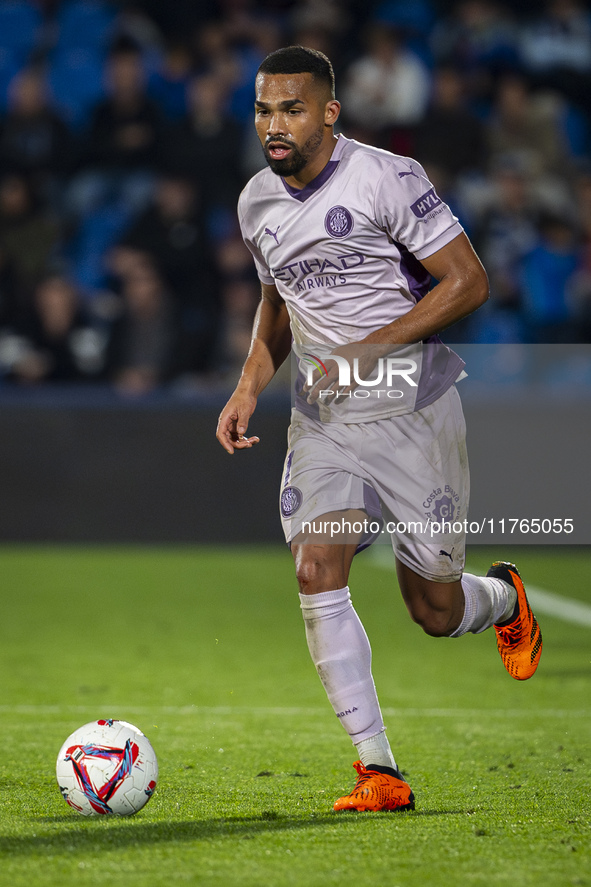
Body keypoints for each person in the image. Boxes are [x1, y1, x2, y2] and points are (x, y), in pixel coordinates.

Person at [216, 46, 543, 813]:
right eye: (263, 108)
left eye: (291, 108)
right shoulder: (255, 202)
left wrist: (365, 352)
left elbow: (467, 281)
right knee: (313, 567)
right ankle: (378, 770)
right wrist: (246, 383)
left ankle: (500, 598)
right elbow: (278, 302)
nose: (274, 124)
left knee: (431, 609)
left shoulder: (386, 176)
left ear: (329, 112)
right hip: (324, 417)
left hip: (411, 407)